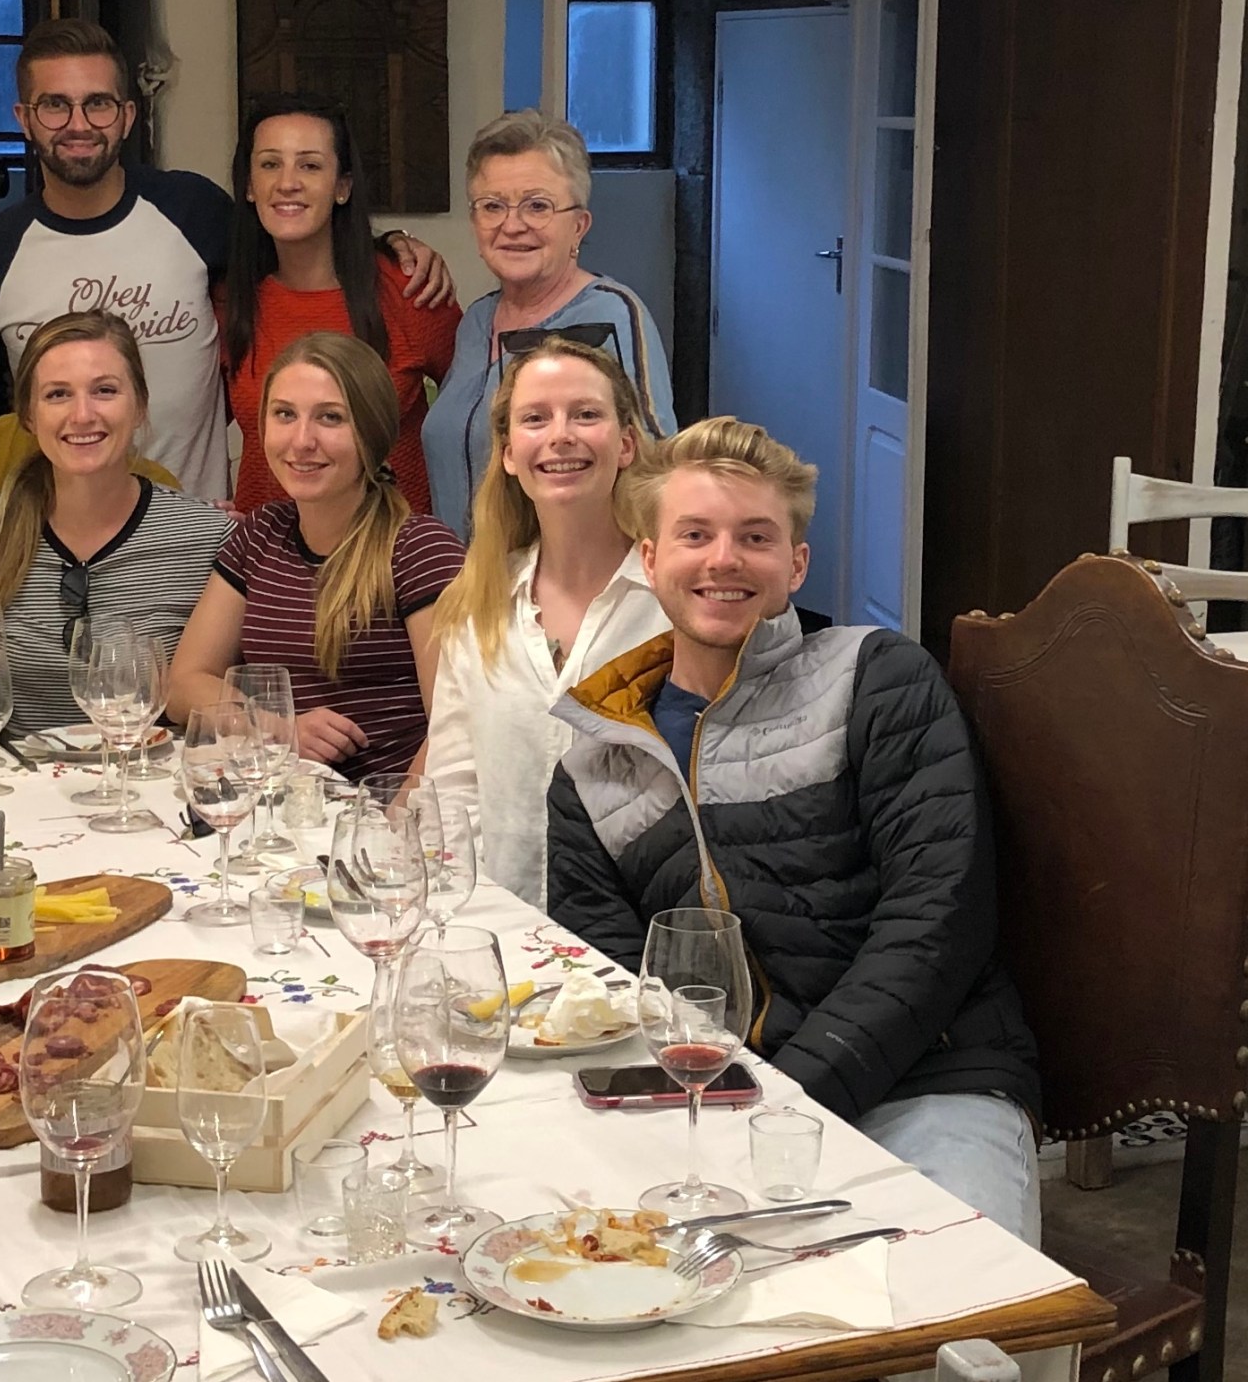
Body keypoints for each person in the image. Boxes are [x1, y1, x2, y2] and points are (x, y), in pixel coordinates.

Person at [545, 417, 1043, 1243]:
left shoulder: (878, 680)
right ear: (649, 559)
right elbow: (614, 992)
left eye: (756, 537)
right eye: (694, 535)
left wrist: (791, 1097)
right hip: (723, 1100)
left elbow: (938, 923)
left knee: (966, 1335)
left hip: (932, 1081)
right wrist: (728, 1112)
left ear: (795, 564)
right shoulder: (593, 773)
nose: (724, 559)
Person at [0, 17, 453, 501]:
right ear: (24, 119)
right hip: (58, 540)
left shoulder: (195, 212)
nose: (78, 124)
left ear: (127, 116)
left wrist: (391, 244)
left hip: (203, 539)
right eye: (55, 105)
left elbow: (295, 230)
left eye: (97, 104)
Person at [423, 335, 666, 908]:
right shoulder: (477, 603)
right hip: (501, 931)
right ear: (508, 453)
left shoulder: (673, 603)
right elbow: (452, 791)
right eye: (536, 418)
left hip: (636, 937)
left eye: (586, 414)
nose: (561, 435)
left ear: (627, 443)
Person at [168, 331, 464, 792]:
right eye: (284, 414)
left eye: (330, 418)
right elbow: (184, 684)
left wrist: (390, 832)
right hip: (277, 809)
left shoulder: (420, 549)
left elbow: (456, 726)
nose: (302, 440)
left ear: (372, 432)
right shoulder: (260, 533)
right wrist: (279, 727)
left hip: (379, 818)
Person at [0, 311, 232, 735]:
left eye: (105, 390)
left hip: (149, 788)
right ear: (28, 415)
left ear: (140, 405)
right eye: (57, 395)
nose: (82, 414)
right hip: (15, 793)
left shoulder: (207, 537)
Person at [420, 109, 674, 538]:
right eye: (492, 206)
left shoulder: (610, 315)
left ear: (578, 226)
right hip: (462, 586)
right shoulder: (474, 322)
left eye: (537, 206)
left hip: (561, 589)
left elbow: (657, 472)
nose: (512, 225)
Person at [222, 93, 459, 515]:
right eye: (270, 164)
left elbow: (481, 418)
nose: (287, 182)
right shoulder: (230, 301)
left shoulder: (410, 288)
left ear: (343, 187)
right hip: (269, 561)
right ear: (249, 187)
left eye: (310, 165)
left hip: (392, 560)